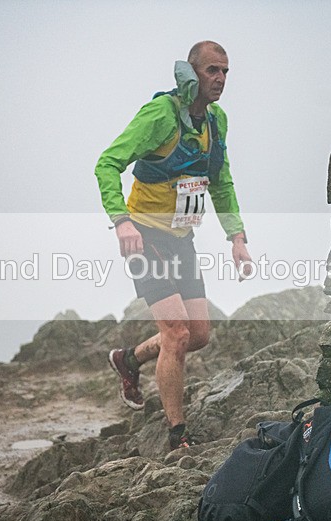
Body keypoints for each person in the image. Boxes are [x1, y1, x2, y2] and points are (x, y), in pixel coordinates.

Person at [95, 41, 252, 450]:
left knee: (198, 333)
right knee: (177, 333)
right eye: (212, 70)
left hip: (182, 237)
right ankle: (177, 435)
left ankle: (129, 359)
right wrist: (121, 222)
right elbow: (107, 163)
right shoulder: (160, 115)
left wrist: (237, 237)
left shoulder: (216, 121)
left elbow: (221, 181)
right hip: (144, 237)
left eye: (225, 72)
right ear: (193, 72)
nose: (219, 79)